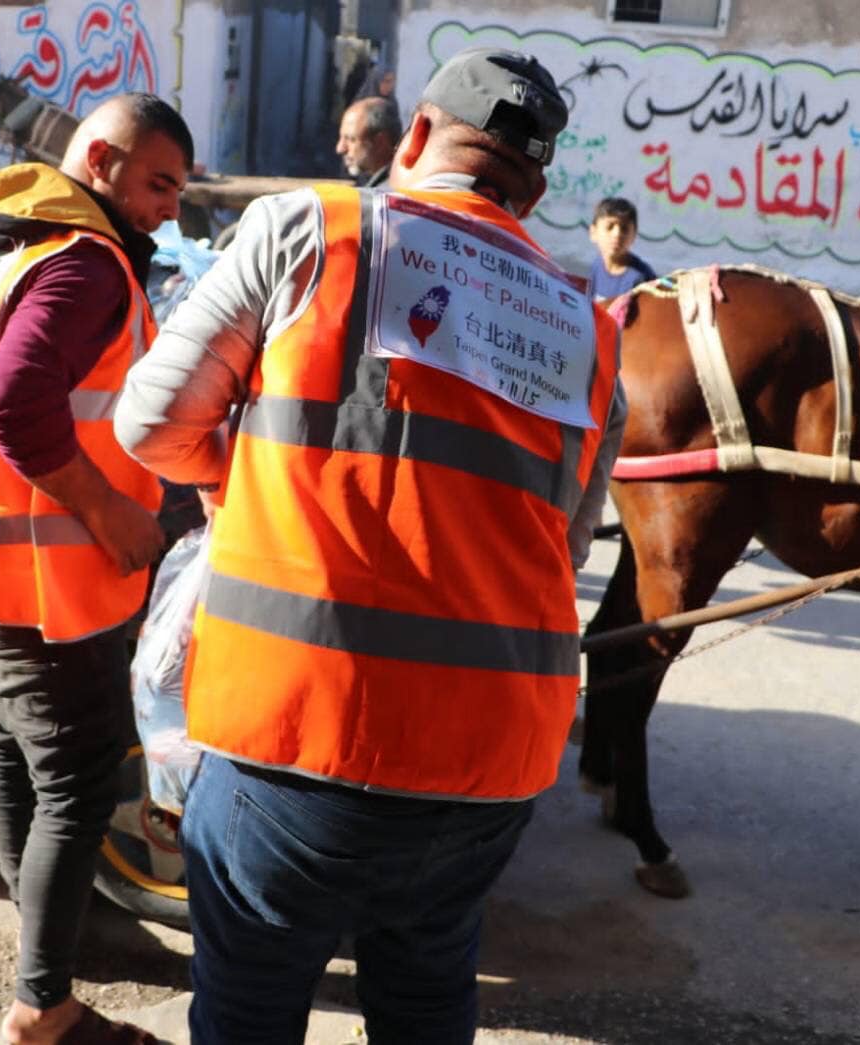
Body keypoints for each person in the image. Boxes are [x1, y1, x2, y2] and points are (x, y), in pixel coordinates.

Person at [115, 48, 627, 1045]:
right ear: (534, 185)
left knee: (250, 1013)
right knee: (427, 997)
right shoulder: (589, 326)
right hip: (493, 759)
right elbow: (560, 545)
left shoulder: (317, 227)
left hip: (299, 736)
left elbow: (151, 426)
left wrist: (242, 486)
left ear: (419, 136)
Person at [0, 93, 192, 1045]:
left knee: (6, 745)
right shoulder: (84, 264)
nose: (168, 210)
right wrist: (110, 508)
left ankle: (41, 940)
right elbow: (15, 402)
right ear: (101, 160)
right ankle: (42, 1009)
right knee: (77, 779)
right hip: (42, 583)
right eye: (158, 183)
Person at [587, 196, 658, 300]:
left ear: (634, 235)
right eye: (609, 227)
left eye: (624, 229)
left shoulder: (641, 278)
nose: (617, 234)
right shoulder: (596, 266)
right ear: (593, 233)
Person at [335, 96, 402, 187]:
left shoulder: (394, 192)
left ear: (380, 142)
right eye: (341, 138)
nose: (340, 149)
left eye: (351, 139)